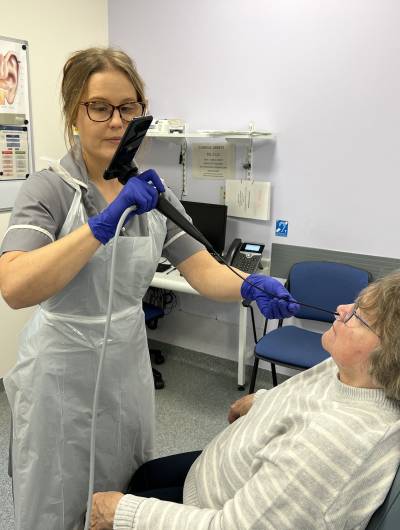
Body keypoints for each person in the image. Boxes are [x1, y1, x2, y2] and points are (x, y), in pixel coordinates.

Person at [0, 47, 298, 530]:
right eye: (100, 107)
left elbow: (202, 270)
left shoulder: (152, 194)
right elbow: (15, 286)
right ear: (74, 113)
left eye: (128, 107)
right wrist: (100, 226)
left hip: (126, 362)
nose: (117, 121)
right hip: (61, 369)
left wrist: (249, 285)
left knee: (125, 483)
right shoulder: (48, 188)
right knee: (58, 489)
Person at [90, 270, 400, 530]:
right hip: (214, 478)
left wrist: (123, 514)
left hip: (212, 512)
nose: (342, 308)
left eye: (358, 315)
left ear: (388, 353)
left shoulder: (332, 445)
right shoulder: (350, 369)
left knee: (120, 503)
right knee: (144, 476)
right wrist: (261, 401)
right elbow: (306, 398)